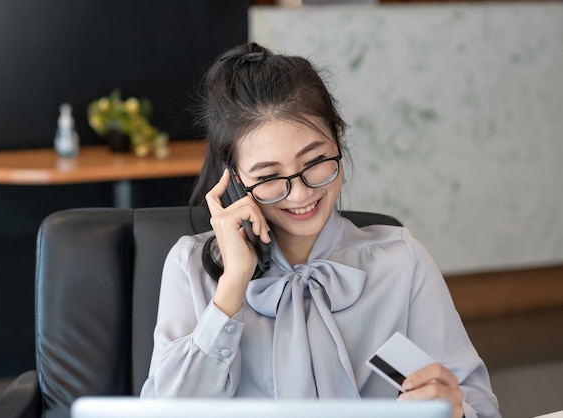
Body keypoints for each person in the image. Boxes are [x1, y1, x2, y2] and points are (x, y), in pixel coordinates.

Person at [140, 42, 500, 418]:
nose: (300, 193)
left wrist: (454, 410)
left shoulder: (401, 261)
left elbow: (480, 406)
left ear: (338, 141)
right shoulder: (190, 266)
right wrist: (231, 290)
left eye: (315, 161)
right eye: (269, 177)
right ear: (233, 182)